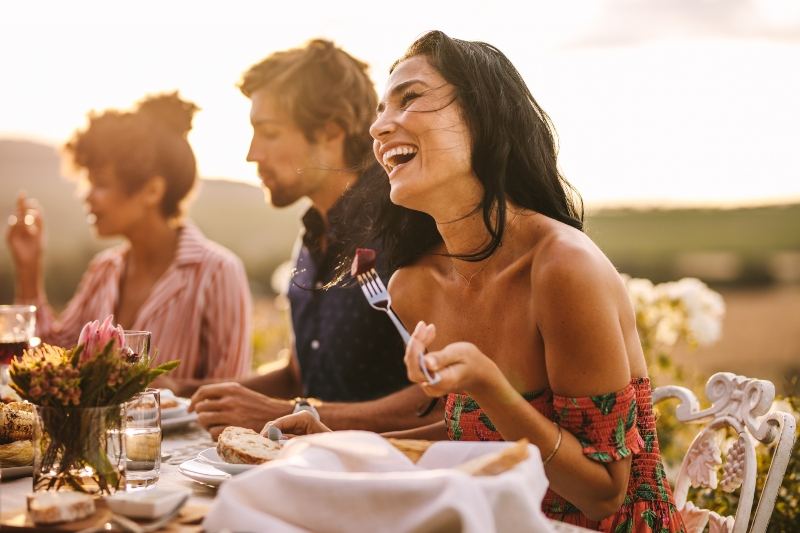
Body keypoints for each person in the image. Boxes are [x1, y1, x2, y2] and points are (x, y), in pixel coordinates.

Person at [269, 31, 686, 532]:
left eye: (411, 98)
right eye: (380, 110)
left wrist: (487, 384)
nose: (379, 126)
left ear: (483, 116)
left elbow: (602, 493)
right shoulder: (414, 285)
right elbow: (474, 433)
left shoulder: (562, 268)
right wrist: (333, 437)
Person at [189, 39, 443, 439]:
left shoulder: (410, 227)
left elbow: (443, 398)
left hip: (391, 479)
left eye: (268, 132)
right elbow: (298, 373)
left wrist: (292, 411)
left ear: (331, 132)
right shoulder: (310, 237)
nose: (252, 154)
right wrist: (192, 396)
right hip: (312, 471)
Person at [5, 93, 252, 388]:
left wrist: (171, 389)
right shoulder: (104, 268)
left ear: (152, 191)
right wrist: (29, 268)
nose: (86, 196)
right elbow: (51, 360)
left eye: (101, 183)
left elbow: (232, 394)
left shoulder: (218, 272)